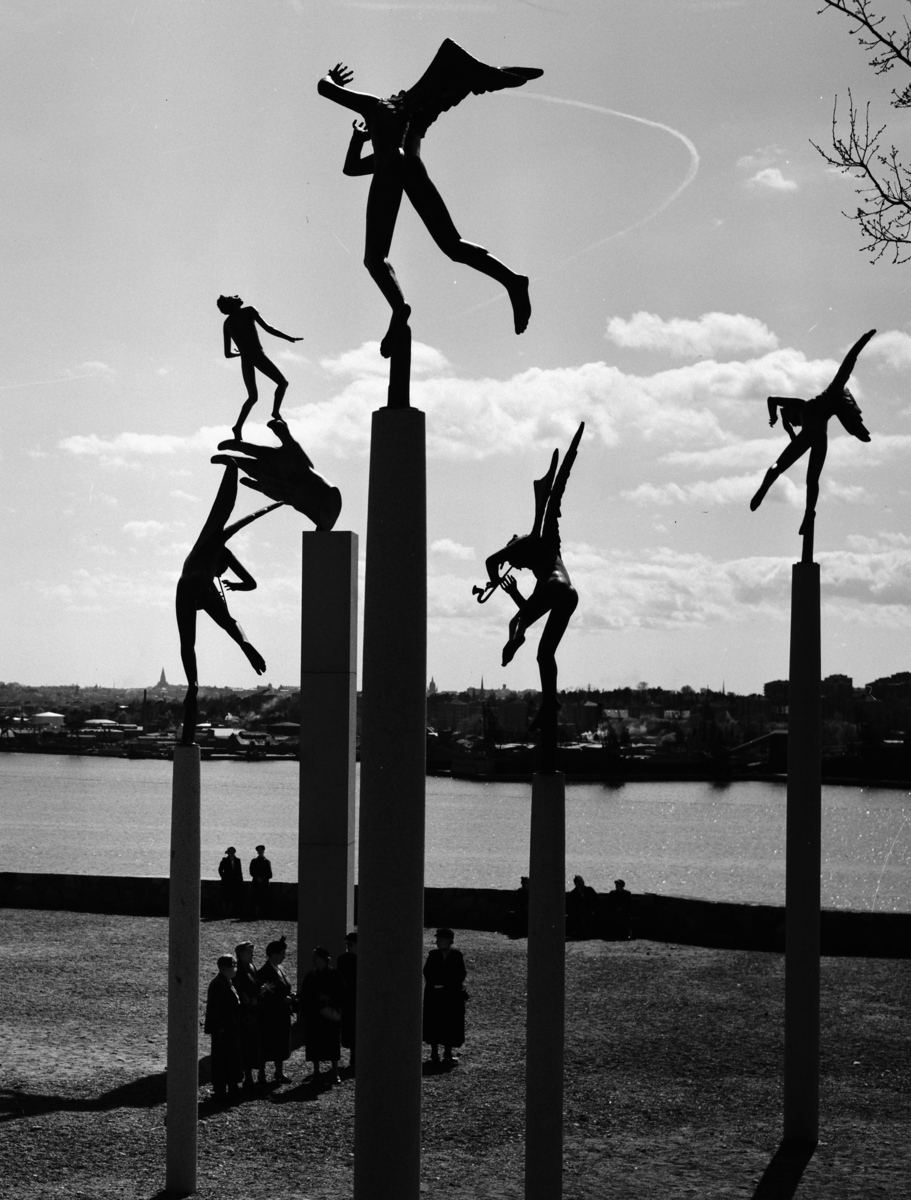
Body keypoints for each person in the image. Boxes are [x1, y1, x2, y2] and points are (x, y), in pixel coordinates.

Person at [317, 41, 541, 357]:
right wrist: (359, 138)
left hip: (390, 165)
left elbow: (324, 90)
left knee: (375, 258)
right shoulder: (416, 119)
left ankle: (399, 309)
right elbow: (353, 168)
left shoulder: (377, 106)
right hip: (411, 165)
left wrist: (331, 78)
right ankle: (513, 281)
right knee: (453, 244)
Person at [480, 422, 584, 733]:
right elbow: (530, 607)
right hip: (568, 593)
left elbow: (490, 561)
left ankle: (516, 639)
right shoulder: (548, 555)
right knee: (544, 654)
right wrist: (510, 593)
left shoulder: (528, 542)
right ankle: (550, 703)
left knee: (520, 625)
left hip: (556, 589)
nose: (517, 563)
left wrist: (495, 580)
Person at [176, 462, 281, 744]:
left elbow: (249, 582)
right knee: (230, 624)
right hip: (200, 587)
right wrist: (231, 470)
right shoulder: (218, 542)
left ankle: (193, 684)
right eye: (223, 572)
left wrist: (234, 584)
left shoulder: (209, 546)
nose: (222, 574)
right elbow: (224, 504)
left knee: (188, 644)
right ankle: (246, 646)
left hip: (186, 585)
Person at [749, 329, 875, 536]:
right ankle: (809, 514)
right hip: (821, 440)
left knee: (778, 466)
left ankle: (763, 490)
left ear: (792, 412)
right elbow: (784, 419)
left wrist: (774, 417)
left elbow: (772, 399)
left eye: (792, 421)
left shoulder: (803, 405)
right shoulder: (818, 406)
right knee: (812, 481)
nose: (794, 424)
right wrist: (787, 428)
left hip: (810, 437)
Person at [217, 294, 303, 437]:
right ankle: (275, 411)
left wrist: (241, 353)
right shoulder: (249, 310)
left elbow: (227, 354)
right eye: (232, 297)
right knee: (282, 383)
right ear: (231, 303)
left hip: (245, 359)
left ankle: (237, 427)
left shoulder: (227, 323)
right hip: (257, 355)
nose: (236, 297)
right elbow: (268, 328)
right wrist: (288, 338)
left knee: (252, 397)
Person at [300, 946, 347, 1085]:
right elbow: (305, 995)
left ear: (324, 959)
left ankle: (335, 1071)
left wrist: (329, 999)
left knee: (332, 1043)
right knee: (315, 1043)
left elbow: (343, 993)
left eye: (315, 957)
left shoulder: (335, 974)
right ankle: (316, 1071)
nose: (313, 960)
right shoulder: (310, 976)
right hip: (315, 1015)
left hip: (329, 1015)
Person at [422, 928, 467, 1067]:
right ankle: (434, 1053)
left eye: (440, 940)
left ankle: (447, 1052)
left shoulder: (456, 955)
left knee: (449, 1023)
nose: (437, 942)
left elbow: (461, 973)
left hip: (450, 995)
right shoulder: (433, 954)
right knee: (435, 1022)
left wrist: (445, 983)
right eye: (438, 940)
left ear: (449, 941)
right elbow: (428, 972)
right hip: (436, 995)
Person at [257, 935, 296, 1084]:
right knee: (267, 1044)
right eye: (282, 954)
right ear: (274, 954)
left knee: (281, 1043)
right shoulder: (263, 973)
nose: (284, 957)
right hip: (269, 1015)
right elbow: (262, 996)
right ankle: (262, 1075)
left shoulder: (280, 969)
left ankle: (279, 1072)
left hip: (282, 1013)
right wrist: (282, 1000)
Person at [204, 953, 243, 1102]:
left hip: (230, 1028)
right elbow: (214, 1009)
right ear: (224, 968)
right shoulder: (219, 983)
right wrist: (219, 1028)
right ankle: (222, 1089)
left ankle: (230, 1086)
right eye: (233, 965)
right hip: (224, 1030)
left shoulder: (226, 982)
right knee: (223, 1059)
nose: (235, 968)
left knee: (230, 1058)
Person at [234, 941, 265, 1089]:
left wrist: (259, 993)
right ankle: (248, 1077)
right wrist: (247, 999)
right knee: (246, 1045)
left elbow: (256, 985)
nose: (253, 954)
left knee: (254, 1044)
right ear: (241, 954)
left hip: (255, 1010)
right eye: (249, 952)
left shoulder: (251, 967)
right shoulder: (238, 970)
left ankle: (253, 1075)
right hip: (245, 1014)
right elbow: (239, 990)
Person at [336, 931, 358, 1073]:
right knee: (350, 1029)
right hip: (349, 1000)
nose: (348, 946)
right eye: (347, 944)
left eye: (350, 944)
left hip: (359, 999)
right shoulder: (343, 959)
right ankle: (353, 1056)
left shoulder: (365, 959)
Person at [566, 874, 598, 939]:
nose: (580, 884)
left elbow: (596, 901)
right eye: (578, 882)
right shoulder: (573, 893)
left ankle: (589, 933)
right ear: (575, 884)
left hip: (590, 910)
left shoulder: (589, 890)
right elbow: (570, 906)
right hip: (578, 912)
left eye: (581, 882)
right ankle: (583, 933)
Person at [218, 846, 244, 918]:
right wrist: (223, 877)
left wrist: (240, 880)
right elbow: (220, 870)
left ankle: (228, 913)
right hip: (226, 881)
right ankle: (224, 912)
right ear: (228, 853)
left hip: (234, 882)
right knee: (224, 897)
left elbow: (240, 871)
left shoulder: (238, 860)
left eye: (233, 852)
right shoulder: (224, 860)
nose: (232, 853)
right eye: (230, 852)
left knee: (232, 897)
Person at [249, 845, 272, 919]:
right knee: (256, 899)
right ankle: (256, 914)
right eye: (258, 850)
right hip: (256, 883)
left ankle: (263, 914)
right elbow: (251, 872)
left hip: (264, 883)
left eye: (261, 850)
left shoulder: (267, 862)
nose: (260, 851)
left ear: (263, 850)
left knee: (264, 899)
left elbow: (270, 874)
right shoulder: (254, 861)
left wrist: (263, 878)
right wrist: (257, 877)